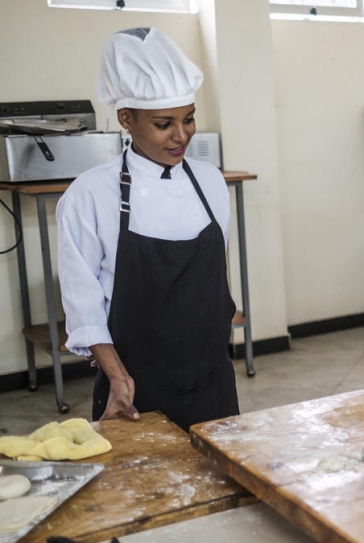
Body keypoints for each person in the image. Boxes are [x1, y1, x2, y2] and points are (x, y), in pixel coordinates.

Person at [56, 27, 239, 431]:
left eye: (189, 119)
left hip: (213, 383)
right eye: (163, 123)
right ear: (126, 118)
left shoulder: (210, 182)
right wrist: (118, 379)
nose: (182, 135)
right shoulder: (90, 195)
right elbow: (84, 306)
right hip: (135, 390)